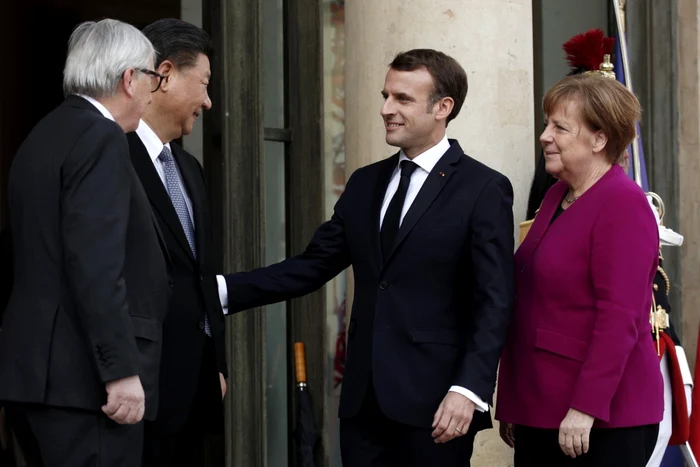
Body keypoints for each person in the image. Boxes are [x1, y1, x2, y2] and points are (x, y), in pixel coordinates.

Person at [217, 48, 515, 466]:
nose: (385, 109)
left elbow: (495, 301)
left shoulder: (484, 188)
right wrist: (220, 291)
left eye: (402, 99)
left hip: (437, 405)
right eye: (385, 95)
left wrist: (469, 391)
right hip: (362, 405)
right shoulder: (364, 182)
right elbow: (311, 266)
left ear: (443, 108)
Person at [0, 19, 171, 467]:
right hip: (84, 387)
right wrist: (119, 371)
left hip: (38, 379)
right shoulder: (100, 138)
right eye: (153, 78)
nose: (154, 94)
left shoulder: (42, 136)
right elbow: (94, 264)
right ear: (129, 79)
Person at [496, 73, 663, 466]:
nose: (544, 136)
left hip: (601, 418)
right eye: (546, 124)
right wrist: (516, 402)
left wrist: (586, 407)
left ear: (599, 139)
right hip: (542, 405)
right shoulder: (558, 195)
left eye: (559, 127)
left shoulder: (623, 204)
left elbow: (619, 317)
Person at [126, 18, 227, 467]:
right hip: (137, 392)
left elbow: (199, 276)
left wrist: (216, 363)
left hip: (194, 390)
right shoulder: (110, 156)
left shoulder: (189, 169)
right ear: (164, 74)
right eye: (203, 84)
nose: (207, 101)